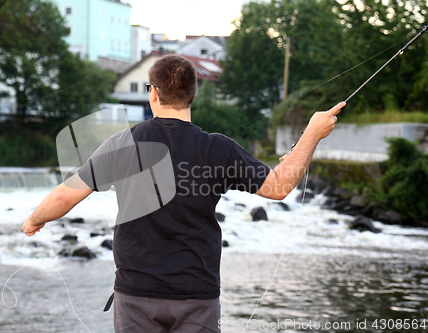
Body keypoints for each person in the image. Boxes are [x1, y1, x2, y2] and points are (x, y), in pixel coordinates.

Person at [22, 54, 345, 332]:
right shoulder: (218, 148)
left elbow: (66, 195)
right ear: (193, 94)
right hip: (197, 296)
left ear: (152, 93)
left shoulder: (123, 143)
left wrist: (34, 220)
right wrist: (312, 135)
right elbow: (279, 187)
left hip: (137, 295)